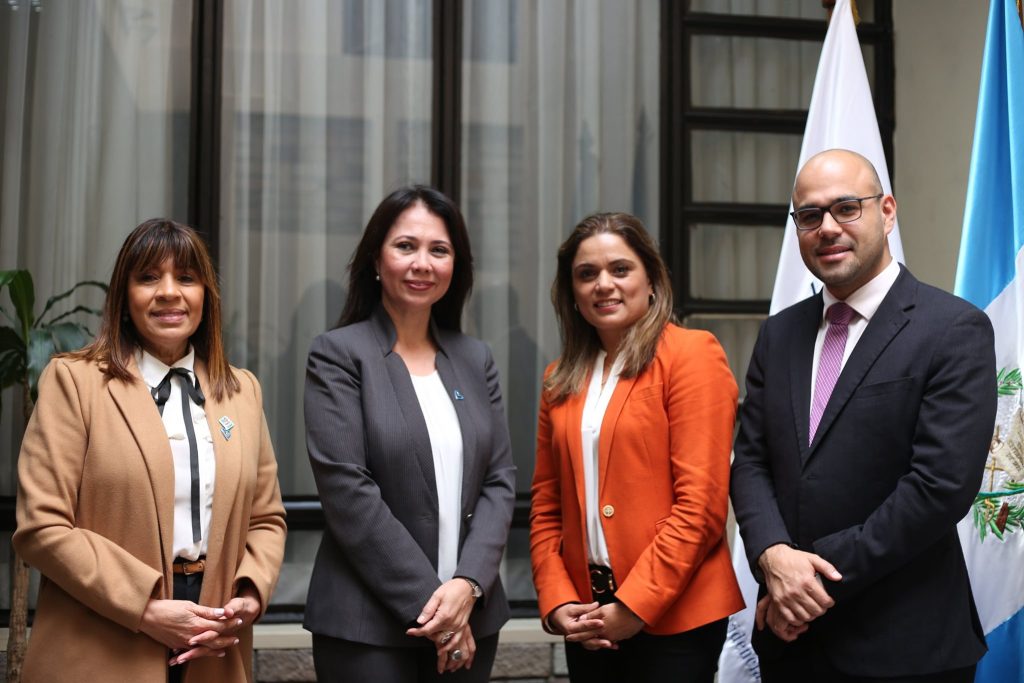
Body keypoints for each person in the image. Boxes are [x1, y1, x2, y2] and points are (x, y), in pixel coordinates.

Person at [731, 149, 996, 682]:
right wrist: (773, 556)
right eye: (809, 216)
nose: (827, 228)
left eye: (846, 208)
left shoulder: (953, 329)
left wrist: (809, 579)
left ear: (888, 211)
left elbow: (939, 487)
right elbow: (750, 461)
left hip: (904, 648)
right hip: (793, 646)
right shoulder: (778, 334)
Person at [13, 218, 287, 682]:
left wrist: (249, 597)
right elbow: (43, 527)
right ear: (125, 297)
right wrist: (146, 609)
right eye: (148, 278)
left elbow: (266, 519)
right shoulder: (74, 382)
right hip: (102, 635)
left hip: (213, 639)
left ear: (205, 295)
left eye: (185, 278)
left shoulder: (242, 391)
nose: (168, 292)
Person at [303, 185, 515, 681]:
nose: (423, 263)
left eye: (439, 250)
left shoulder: (474, 358)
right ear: (377, 259)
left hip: (473, 619)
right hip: (366, 628)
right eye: (406, 246)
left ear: (455, 267)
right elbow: (348, 492)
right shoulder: (338, 355)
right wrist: (439, 613)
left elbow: (500, 480)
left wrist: (467, 586)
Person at [529, 212, 744, 683]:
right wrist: (558, 600)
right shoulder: (558, 378)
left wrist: (634, 605)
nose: (603, 284)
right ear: (572, 293)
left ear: (651, 280)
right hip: (589, 619)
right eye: (587, 274)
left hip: (676, 619)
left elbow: (702, 508)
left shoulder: (691, 355)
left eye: (620, 269)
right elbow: (547, 505)